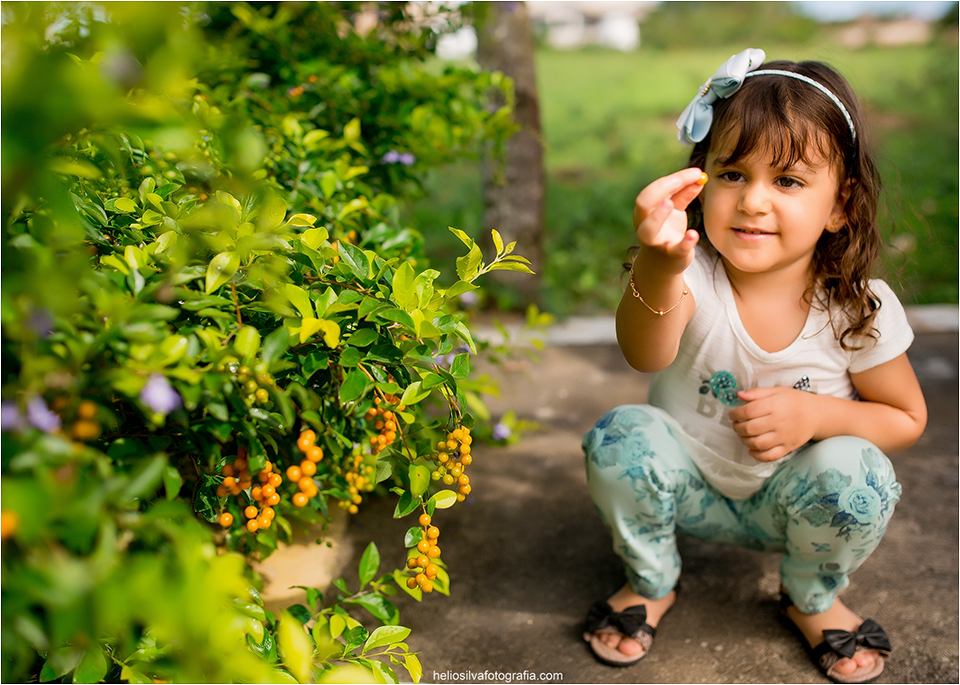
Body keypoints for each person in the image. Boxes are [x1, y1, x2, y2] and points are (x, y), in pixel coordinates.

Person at [581, 48, 927, 684]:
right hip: (685, 487)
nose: (753, 202)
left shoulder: (856, 307)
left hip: (791, 503)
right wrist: (658, 267)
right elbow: (644, 353)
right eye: (732, 174)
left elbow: (906, 418)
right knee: (620, 437)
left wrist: (819, 414)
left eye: (788, 181)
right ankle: (651, 581)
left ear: (841, 205)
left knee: (861, 473)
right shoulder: (689, 276)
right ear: (699, 180)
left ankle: (810, 596)